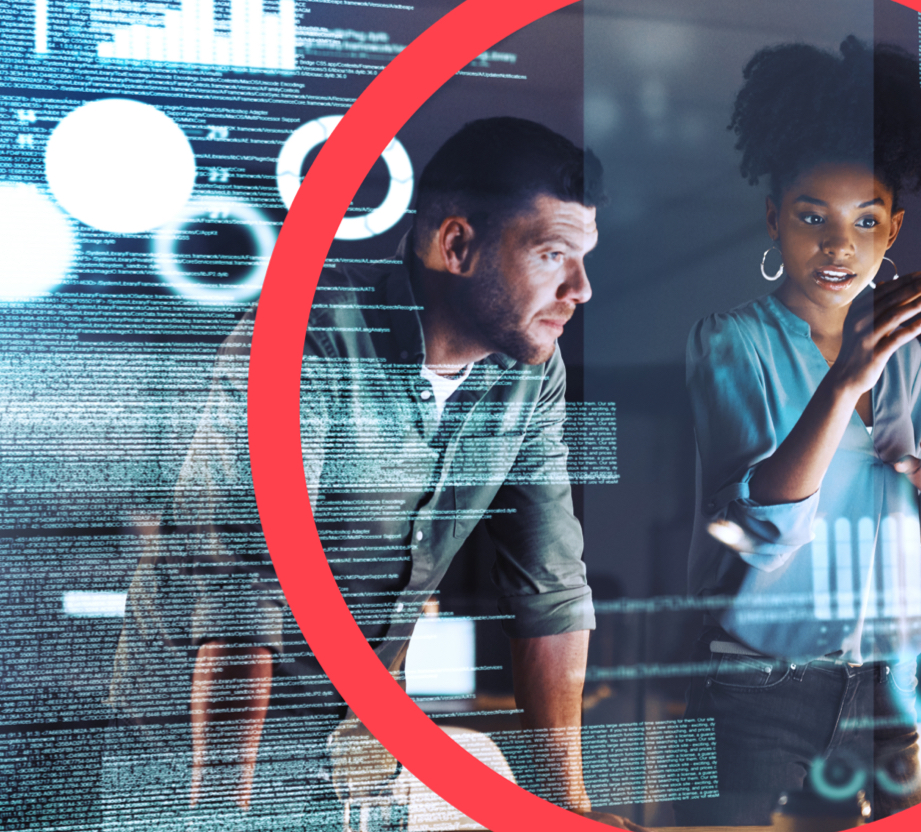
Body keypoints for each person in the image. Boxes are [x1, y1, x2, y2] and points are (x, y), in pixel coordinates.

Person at [105, 117, 640, 831]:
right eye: (552, 254)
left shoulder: (530, 374)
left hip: (350, 751)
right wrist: (220, 814)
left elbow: (549, 587)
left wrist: (566, 812)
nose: (581, 288)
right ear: (458, 245)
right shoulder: (307, 337)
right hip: (191, 748)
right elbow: (244, 595)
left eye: (585, 258)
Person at [676, 37, 921, 826]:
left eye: (865, 220)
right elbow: (757, 536)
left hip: (886, 685)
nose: (840, 245)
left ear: (893, 229)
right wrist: (844, 384)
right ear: (774, 218)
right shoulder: (730, 341)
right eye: (813, 217)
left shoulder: (910, 365)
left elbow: (916, 560)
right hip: (762, 688)